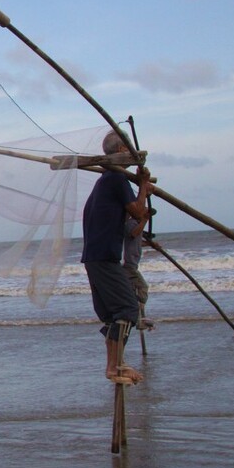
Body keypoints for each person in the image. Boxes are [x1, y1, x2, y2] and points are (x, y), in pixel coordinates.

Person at [81, 130, 153, 384]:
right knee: (127, 308)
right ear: (122, 150)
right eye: (128, 149)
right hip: (103, 257)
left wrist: (140, 186)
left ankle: (114, 366)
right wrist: (143, 186)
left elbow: (129, 217)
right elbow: (136, 210)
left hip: (95, 256)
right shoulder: (115, 179)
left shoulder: (106, 181)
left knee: (114, 316)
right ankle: (116, 365)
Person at [123, 215, 153, 331]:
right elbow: (134, 234)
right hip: (128, 264)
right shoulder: (132, 223)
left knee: (133, 290)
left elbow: (136, 240)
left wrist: (151, 244)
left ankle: (139, 317)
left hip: (131, 264)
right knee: (142, 288)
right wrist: (144, 220)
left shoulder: (135, 225)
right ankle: (139, 318)